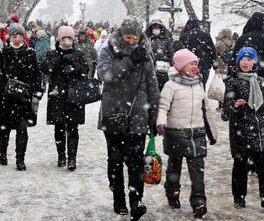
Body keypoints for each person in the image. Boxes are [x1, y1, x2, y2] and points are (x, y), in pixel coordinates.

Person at [97, 17, 160, 221]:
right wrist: (130, 61)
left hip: (138, 114)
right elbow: (105, 75)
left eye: (135, 37)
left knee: (135, 161)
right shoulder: (108, 50)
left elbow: (153, 85)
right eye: (128, 37)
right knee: (115, 160)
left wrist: (154, 114)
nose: (131, 41)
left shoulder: (146, 53)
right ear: (121, 35)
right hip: (113, 112)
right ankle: (118, 198)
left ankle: (136, 200)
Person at [156, 49, 217, 218]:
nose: (195, 66)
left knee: (197, 170)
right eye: (191, 63)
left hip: (196, 133)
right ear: (181, 66)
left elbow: (206, 110)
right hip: (175, 132)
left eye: (196, 63)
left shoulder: (199, 84)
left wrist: (212, 133)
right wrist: (161, 122)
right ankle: (172, 194)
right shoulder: (171, 85)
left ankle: (199, 202)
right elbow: (163, 107)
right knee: (174, 167)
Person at [224, 47, 264, 211]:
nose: (246, 63)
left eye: (249, 59)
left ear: (254, 62)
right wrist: (234, 105)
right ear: (238, 62)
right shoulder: (232, 82)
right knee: (240, 166)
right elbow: (226, 108)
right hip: (241, 130)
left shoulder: (261, 81)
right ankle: (239, 197)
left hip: (261, 130)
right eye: (243, 59)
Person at [0, 23, 38, 171]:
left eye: (20, 36)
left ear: (24, 37)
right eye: (14, 36)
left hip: (23, 99)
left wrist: (33, 93)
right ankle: (2, 152)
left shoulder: (30, 53)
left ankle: (20, 158)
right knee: (5, 129)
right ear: (10, 36)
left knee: (22, 129)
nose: (17, 39)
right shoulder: (1, 53)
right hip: (5, 98)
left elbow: (34, 76)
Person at [41, 26, 90, 171]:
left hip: (74, 95)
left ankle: (72, 159)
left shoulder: (78, 54)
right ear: (59, 39)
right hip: (57, 95)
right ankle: (61, 155)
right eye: (64, 38)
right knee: (59, 127)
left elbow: (86, 69)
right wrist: (55, 61)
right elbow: (44, 68)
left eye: (69, 38)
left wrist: (75, 67)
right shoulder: (52, 53)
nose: (67, 41)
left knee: (73, 128)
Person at [228, 12, 264, 105]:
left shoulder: (242, 39)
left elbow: (233, 63)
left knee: (242, 116)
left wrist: (233, 83)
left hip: (242, 87)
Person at [178, 19, 217, 86]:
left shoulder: (184, 36)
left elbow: (179, 51)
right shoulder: (206, 35)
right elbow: (212, 51)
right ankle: (201, 94)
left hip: (188, 65)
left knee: (190, 86)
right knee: (202, 84)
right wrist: (215, 66)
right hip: (204, 65)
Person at [145, 19, 174, 90]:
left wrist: (172, 65)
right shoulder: (147, 39)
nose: (156, 29)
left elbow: (171, 53)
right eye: (154, 28)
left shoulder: (167, 40)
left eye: (157, 28)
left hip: (163, 70)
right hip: (150, 69)